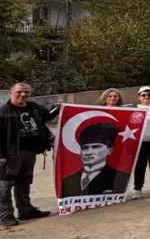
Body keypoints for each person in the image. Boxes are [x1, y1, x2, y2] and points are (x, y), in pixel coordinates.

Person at [0, 83, 54, 226]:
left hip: (29, 152)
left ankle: (26, 211)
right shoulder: (3, 111)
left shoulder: (33, 107)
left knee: (24, 182)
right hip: (10, 155)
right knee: (5, 185)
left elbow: (47, 116)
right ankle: (5, 216)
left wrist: (62, 108)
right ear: (11, 93)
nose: (23, 95)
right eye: (19, 92)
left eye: (26, 92)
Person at [62, 120, 129, 197]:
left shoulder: (118, 177)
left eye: (96, 147)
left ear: (109, 150)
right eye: (85, 148)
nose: (88, 152)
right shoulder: (68, 180)